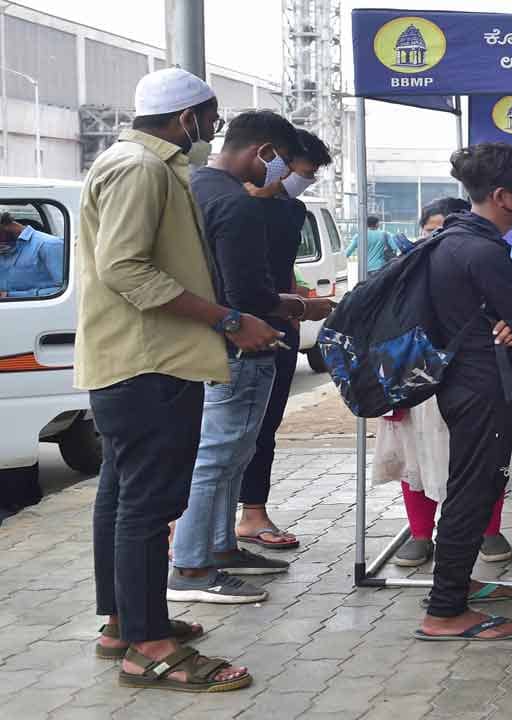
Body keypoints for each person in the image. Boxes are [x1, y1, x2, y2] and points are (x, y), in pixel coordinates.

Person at [79, 67, 278, 692]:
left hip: (138, 359)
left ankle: (126, 623)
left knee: (123, 496)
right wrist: (228, 319)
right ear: (189, 115)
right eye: (210, 116)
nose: (213, 128)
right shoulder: (140, 169)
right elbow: (127, 270)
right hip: (148, 360)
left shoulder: (141, 164)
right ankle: (150, 648)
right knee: (148, 504)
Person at [168, 111, 326, 604]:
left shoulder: (194, 189)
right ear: (263, 151)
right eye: (280, 161)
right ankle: (192, 567)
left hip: (208, 341)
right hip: (242, 343)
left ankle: (220, 547)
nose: (280, 174)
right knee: (219, 455)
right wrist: (304, 305)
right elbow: (249, 294)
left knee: (232, 452)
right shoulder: (235, 204)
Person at [415, 143, 512, 642]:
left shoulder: (449, 238)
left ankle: (456, 584)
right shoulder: (482, 249)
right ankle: (445, 612)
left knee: (473, 486)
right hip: (481, 386)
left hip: (460, 382)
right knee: (472, 492)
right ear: (501, 195)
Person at [374, 196, 512, 569]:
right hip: (418, 384)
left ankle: (489, 530)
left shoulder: (496, 264)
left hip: (478, 381)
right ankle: (420, 534)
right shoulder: (404, 271)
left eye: (445, 230)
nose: (437, 238)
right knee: (416, 458)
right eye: (430, 231)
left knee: (484, 460)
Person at [236, 128, 337, 551]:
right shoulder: (224, 203)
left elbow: (279, 272)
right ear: (274, 158)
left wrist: (296, 307)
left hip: (277, 329)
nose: (303, 180)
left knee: (263, 428)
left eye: (311, 175)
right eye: (304, 170)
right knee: (219, 436)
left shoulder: (288, 212)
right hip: (234, 331)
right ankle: (192, 525)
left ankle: (251, 513)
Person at [0, 212, 64, 298]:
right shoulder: (6, 245)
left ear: (5, 226)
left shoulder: (49, 245)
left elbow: (64, 290)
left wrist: (10, 295)